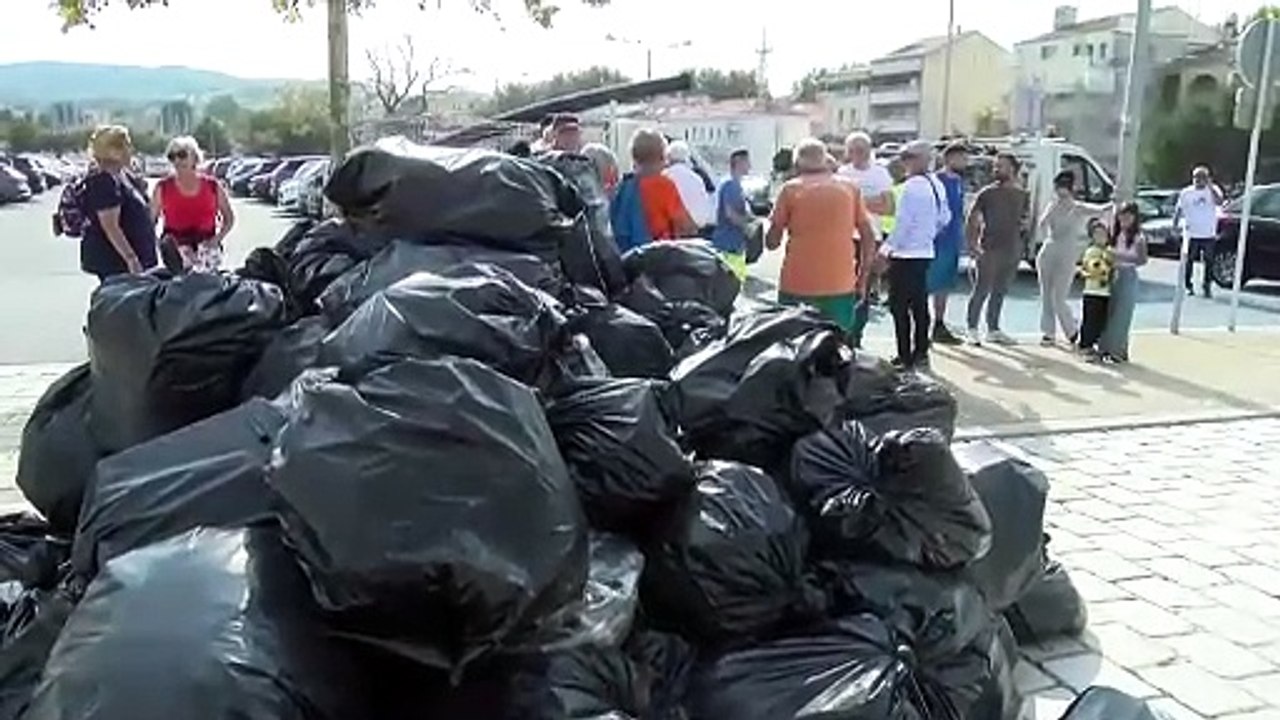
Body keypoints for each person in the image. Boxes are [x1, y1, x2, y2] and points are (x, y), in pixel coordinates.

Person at [765, 138, 877, 335]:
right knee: (837, 346)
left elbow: (772, 242)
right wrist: (863, 277)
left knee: (793, 346)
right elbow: (868, 235)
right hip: (840, 283)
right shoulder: (850, 188)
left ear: (797, 163)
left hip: (797, 283)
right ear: (826, 160)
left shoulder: (790, 189)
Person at [881, 140, 951, 369]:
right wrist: (928, 233)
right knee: (919, 304)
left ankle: (904, 355)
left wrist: (886, 249)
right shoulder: (936, 184)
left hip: (904, 254)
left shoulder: (911, 187)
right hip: (924, 251)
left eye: (908, 156)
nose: (904, 161)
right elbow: (945, 217)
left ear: (920, 159)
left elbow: (903, 223)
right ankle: (921, 351)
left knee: (899, 306)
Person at [1036, 170, 1113, 346]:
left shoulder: (1077, 207)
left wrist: (1113, 202)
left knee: (1059, 297)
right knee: (1046, 295)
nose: (1060, 191)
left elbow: (1100, 210)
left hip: (1067, 252)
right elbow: (1042, 224)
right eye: (1058, 187)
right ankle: (1048, 332)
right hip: (1049, 249)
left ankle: (1071, 331)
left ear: (1070, 189)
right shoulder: (1052, 206)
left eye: (1064, 187)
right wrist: (1052, 209)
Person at [964, 151, 1030, 345]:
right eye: (996, 165)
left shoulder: (1022, 194)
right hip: (989, 248)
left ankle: (993, 329)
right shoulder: (987, 193)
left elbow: (1025, 220)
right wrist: (972, 244)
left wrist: (1022, 240)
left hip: (1012, 248)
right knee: (981, 289)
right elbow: (972, 219)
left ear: (1013, 168)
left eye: (1001, 165)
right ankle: (972, 329)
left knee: (1000, 290)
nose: (996, 168)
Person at [79, 125, 158, 282]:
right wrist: (131, 259)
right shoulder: (103, 181)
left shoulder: (122, 175)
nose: (131, 149)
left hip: (135, 259)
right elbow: (111, 226)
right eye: (126, 145)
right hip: (116, 263)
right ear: (112, 151)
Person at [151, 136, 235, 274]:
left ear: (195, 158)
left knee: (205, 285)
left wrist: (216, 240)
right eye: (172, 157)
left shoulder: (212, 186)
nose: (177, 160)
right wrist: (162, 245)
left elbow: (229, 218)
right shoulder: (163, 187)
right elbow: (150, 222)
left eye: (182, 155)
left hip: (207, 247)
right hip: (176, 250)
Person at [610, 128, 697, 250]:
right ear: (662, 155)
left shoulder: (623, 185)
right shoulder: (664, 186)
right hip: (657, 256)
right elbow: (686, 226)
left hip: (627, 255)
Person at [1098, 201, 1148, 364]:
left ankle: (1117, 351)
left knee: (1122, 315)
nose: (1124, 219)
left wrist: (1119, 257)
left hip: (1128, 275)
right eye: (1121, 215)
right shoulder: (1116, 234)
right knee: (1109, 312)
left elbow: (1142, 259)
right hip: (1113, 274)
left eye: (1128, 216)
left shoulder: (1138, 237)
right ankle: (1106, 348)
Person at [928, 143, 968, 345]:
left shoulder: (958, 181)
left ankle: (939, 324)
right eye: (961, 157)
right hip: (938, 241)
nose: (964, 161)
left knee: (944, 285)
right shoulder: (937, 180)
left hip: (953, 240)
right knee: (931, 282)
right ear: (949, 159)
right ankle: (922, 327)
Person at [1173, 165, 1225, 298]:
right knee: (1188, 260)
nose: (1198, 180)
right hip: (1191, 232)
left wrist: (1211, 186)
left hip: (1208, 232)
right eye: (1196, 177)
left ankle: (1207, 285)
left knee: (1209, 261)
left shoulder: (1212, 191)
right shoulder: (1186, 192)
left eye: (1202, 177)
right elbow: (1178, 209)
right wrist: (1175, 225)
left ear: (1207, 178)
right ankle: (1188, 285)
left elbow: (1219, 202)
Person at [711, 148, 754, 282]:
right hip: (728, 244)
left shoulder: (735, 184)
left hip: (732, 244)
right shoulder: (730, 185)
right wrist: (747, 228)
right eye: (747, 162)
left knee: (735, 282)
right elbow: (730, 213)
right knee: (731, 284)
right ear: (739, 162)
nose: (750, 165)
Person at [1077, 219, 1115, 359]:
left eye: (1103, 234)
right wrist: (1107, 261)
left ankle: (1092, 345)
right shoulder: (1092, 251)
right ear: (1092, 236)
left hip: (1104, 292)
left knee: (1100, 320)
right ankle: (1084, 346)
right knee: (1090, 321)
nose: (1101, 237)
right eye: (1097, 234)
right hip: (1092, 291)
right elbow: (1094, 268)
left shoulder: (1107, 251)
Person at [663, 141, 715, 233]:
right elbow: (705, 212)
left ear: (668, 157)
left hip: (668, 233)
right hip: (692, 232)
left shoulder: (663, 177)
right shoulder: (697, 179)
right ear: (687, 158)